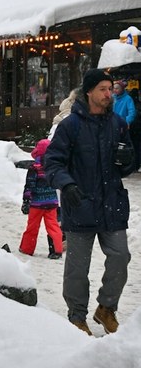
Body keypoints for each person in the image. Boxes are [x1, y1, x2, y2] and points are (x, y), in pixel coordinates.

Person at [44, 68, 135, 336]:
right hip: (80, 204)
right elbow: (52, 162)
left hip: (112, 205)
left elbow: (125, 167)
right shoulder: (70, 125)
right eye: (103, 89)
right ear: (89, 92)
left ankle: (106, 308)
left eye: (110, 89)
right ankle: (77, 317)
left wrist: (128, 158)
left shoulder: (117, 124)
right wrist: (67, 183)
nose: (109, 94)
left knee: (120, 256)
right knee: (77, 269)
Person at [19, 139, 63, 259]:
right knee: (53, 226)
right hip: (52, 202)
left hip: (36, 204)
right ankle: (56, 250)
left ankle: (27, 249)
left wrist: (26, 200)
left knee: (32, 227)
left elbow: (30, 185)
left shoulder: (34, 168)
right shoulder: (53, 167)